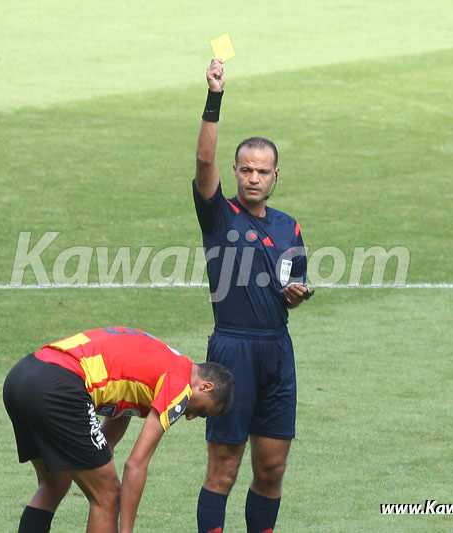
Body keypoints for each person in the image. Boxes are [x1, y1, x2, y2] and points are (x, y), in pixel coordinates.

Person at [192, 58, 311, 533]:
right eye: (245, 169)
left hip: (277, 350)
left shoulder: (290, 227)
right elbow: (204, 162)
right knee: (223, 469)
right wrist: (215, 96)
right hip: (232, 350)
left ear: (276, 174)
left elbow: (288, 287)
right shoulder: (218, 215)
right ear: (236, 173)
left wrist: (295, 296)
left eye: (262, 171)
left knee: (271, 470)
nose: (253, 178)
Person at [3, 326, 235, 533]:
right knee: (107, 496)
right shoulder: (180, 386)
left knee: (55, 484)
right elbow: (136, 463)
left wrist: (102, 455)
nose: (190, 416)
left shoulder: (163, 357)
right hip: (59, 386)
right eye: (202, 411)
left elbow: (113, 428)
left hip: (23, 376)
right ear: (205, 387)